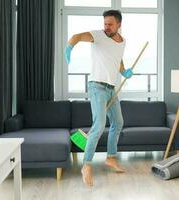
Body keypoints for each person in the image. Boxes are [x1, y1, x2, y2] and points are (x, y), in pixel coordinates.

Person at [65, 10, 133, 187]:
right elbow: (77, 36)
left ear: (119, 24)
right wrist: (69, 47)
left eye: (110, 24)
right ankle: (86, 165)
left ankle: (111, 157)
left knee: (118, 122)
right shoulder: (98, 36)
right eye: (105, 23)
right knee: (99, 124)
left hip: (112, 88)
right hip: (97, 87)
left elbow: (118, 59)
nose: (106, 27)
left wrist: (124, 71)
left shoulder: (123, 41)